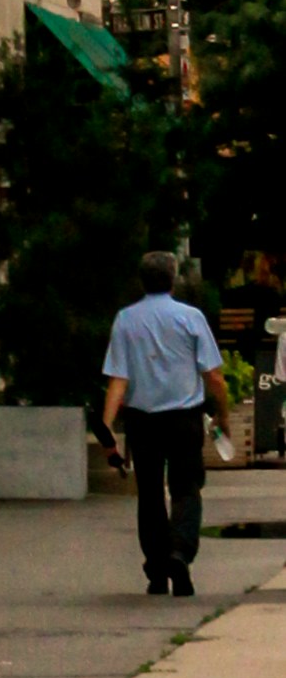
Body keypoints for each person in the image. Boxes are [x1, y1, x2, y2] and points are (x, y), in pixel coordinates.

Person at [102, 253, 230, 598]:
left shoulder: (126, 320)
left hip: (143, 421)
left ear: (141, 281)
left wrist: (106, 429)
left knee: (150, 494)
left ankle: (157, 569)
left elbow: (118, 380)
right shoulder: (191, 318)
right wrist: (222, 416)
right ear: (173, 279)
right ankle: (180, 552)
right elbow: (214, 376)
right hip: (184, 419)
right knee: (187, 488)